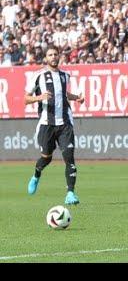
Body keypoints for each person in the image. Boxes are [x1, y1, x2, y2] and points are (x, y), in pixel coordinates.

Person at [25, 47, 85, 205]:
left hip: (65, 123)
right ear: (46, 58)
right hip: (47, 124)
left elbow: (64, 94)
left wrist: (77, 98)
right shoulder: (38, 75)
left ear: (59, 57)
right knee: (47, 157)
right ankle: (36, 175)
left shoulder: (65, 75)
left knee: (69, 157)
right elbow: (25, 98)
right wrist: (40, 97)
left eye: (55, 54)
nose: (53, 57)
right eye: (50, 55)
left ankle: (70, 193)